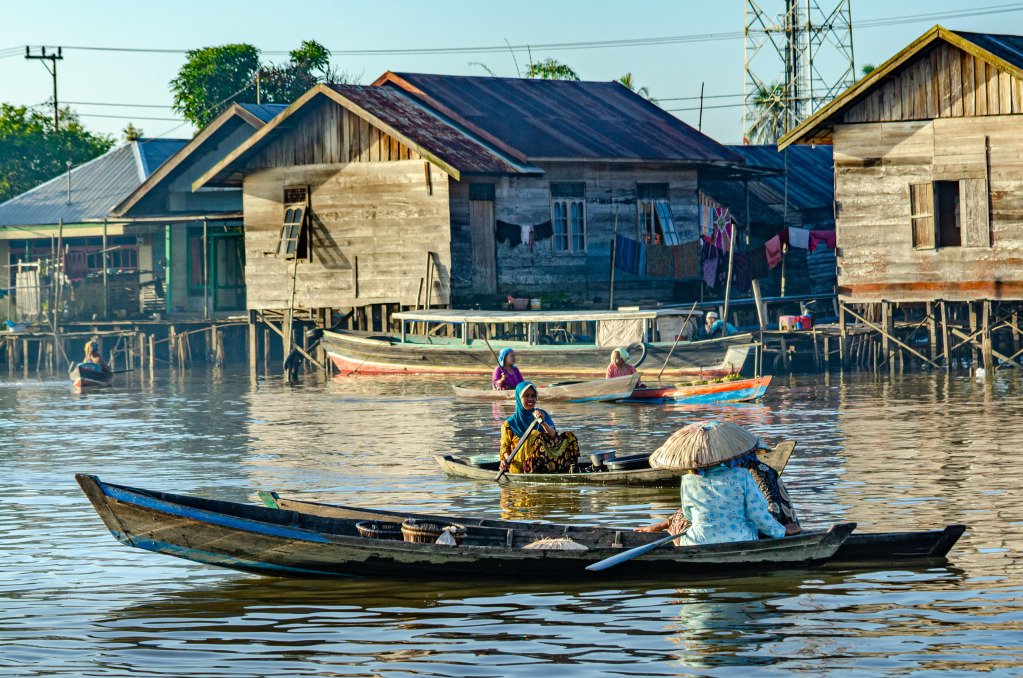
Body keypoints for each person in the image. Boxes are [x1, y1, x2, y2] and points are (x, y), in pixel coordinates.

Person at [636, 421, 798, 546]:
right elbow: (757, 514)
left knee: (681, 523)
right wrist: (781, 532)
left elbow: (689, 514)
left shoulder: (688, 480)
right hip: (742, 539)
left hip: (698, 542)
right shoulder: (742, 475)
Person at [498, 382, 580, 474]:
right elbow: (504, 448)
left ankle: (564, 468)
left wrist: (542, 422)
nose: (530, 399)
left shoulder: (541, 413)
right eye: (526, 395)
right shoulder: (509, 423)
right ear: (519, 398)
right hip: (520, 462)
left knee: (569, 436)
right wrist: (506, 461)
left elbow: (553, 436)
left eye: (533, 396)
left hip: (546, 458)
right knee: (534, 434)